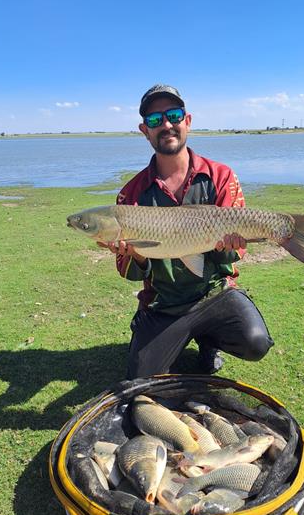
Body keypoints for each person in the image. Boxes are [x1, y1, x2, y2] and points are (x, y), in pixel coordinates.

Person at [99, 83, 274, 379]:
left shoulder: (220, 176)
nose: (166, 125)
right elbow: (129, 272)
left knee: (255, 342)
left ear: (187, 121)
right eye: (155, 120)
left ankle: (209, 340)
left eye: (174, 115)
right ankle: (168, 337)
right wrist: (137, 256)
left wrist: (229, 246)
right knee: (142, 378)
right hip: (163, 303)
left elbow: (234, 256)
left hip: (214, 294)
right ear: (145, 130)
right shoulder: (131, 195)